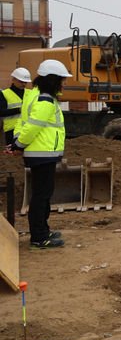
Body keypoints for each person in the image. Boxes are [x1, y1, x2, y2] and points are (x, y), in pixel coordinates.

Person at [16, 59, 72, 249]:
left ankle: (43, 231)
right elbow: (33, 126)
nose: (64, 83)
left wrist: (17, 143)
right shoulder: (46, 100)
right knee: (42, 196)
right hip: (43, 154)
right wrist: (19, 144)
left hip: (40, 154)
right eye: (62, 80)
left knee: (42, 195)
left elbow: (22, 122)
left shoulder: (33, 95)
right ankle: (39, 237)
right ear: (52, 79)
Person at [2, 67, 32, 149]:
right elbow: (1, 112)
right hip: (11, 130)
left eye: (25, 82)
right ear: (13, 79)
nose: (24, 84)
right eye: (21, 81)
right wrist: (19, 109)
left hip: (28, 128)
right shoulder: (4, 94)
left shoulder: (30, 93)